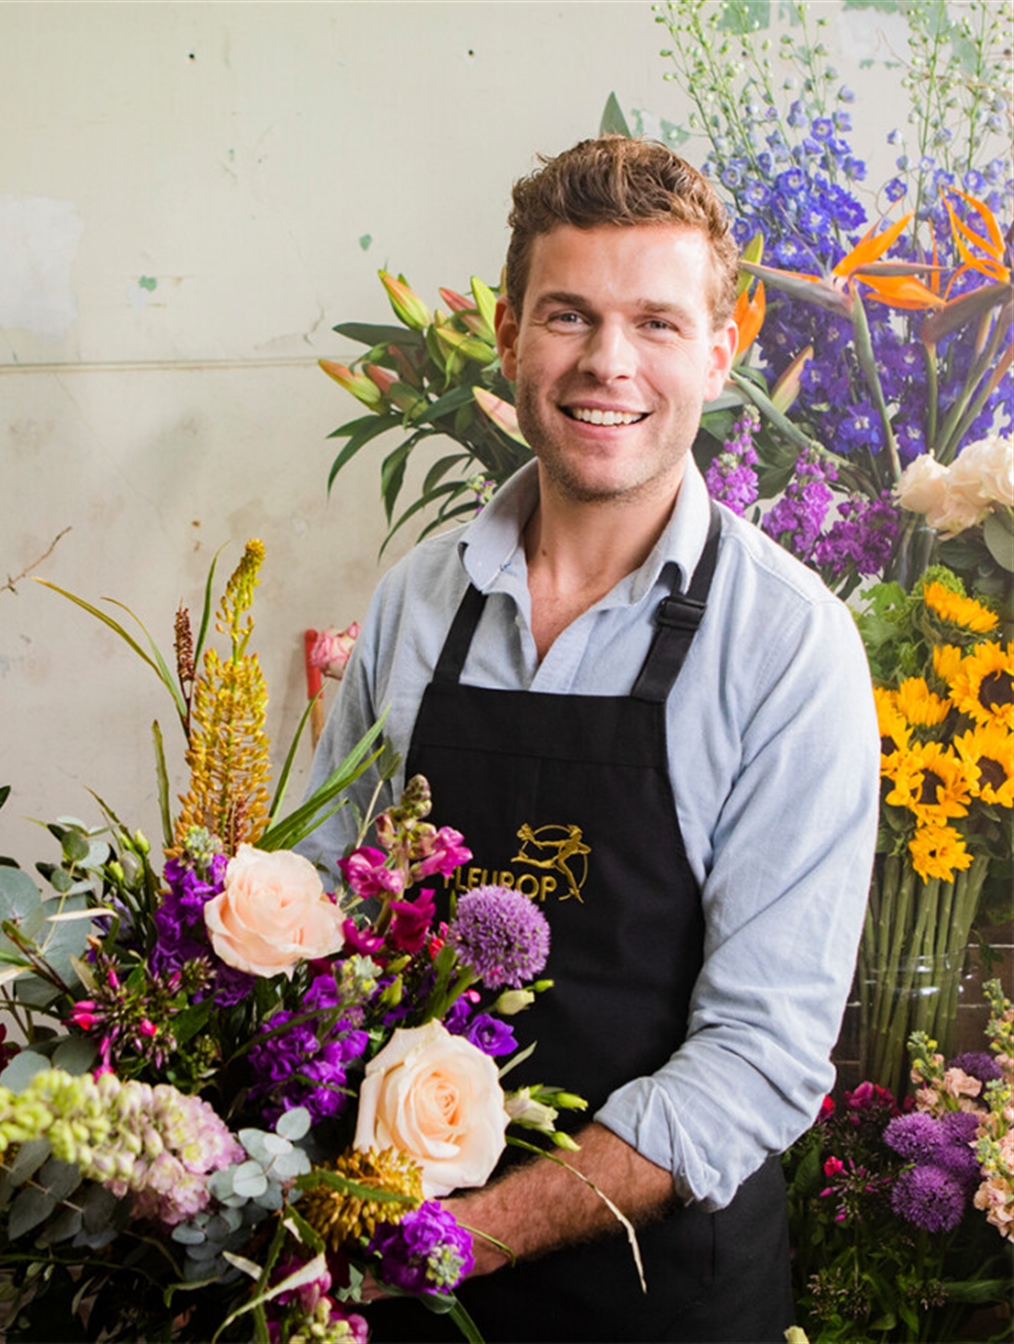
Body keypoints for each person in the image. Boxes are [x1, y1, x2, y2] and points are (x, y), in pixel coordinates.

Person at [300, 136, 879, 1342]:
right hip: (396, 1282)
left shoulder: (786, 647)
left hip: (657, 1293)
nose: (608, 364)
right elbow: (318, 919)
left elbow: (760, 1056)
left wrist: (467, 1239)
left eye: (658, 324)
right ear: (508, 338)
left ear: (720, 356)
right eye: (570, 316)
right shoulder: (418, 605)